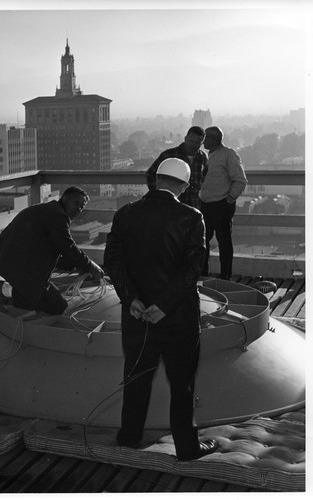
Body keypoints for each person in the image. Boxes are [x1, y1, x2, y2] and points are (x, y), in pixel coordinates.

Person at [104, 158, 217, 461]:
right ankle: (187, 447)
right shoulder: (192, 217)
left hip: (137, 315)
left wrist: (133, 300)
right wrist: (163, 306)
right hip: (177, 316)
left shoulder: (125, 214)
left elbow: (113, 262)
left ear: (155, 179)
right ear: (183, 185)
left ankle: (129, 436)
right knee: (182, 384)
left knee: (136, 377)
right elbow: (191, 270)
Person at [0, 186, 104, 315]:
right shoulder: (57, 216)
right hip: (16, 265)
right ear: (65, 198)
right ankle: (4, 292)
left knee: (47, 299)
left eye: (81, 207)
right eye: (76, 203)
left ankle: (11, 293)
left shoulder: (49, 210)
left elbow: (54, 251)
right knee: (56, 305)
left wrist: (75, 266)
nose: (78, 209)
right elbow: (68, 247)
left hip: (9, 259)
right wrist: (90, 265)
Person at [199, 126, 247, 280]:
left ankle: (226, 275)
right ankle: (203, 273)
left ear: (214, 139)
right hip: (205, 204)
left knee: (224, 241)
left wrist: (229, 199)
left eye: (205, 138)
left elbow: (240, 180)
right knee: (203, 241)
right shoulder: (207, 156)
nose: (203, 141)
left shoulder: (228, 155)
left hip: (221, 204)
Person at [145, 126, 208, 209]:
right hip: (170, 206)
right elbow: (150, 174)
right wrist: (157, 194)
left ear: (202, 143)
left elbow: (203, 177)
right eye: (191, 141)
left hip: (193, 205)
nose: (193, 145)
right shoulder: (169, 155)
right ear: (185, 139)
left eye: (197, 143)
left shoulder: (203, 157)